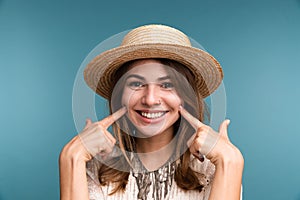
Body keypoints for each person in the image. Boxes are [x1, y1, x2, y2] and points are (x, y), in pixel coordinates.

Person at [59, 24, 244, 200]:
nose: (150, 99)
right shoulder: (93, 170)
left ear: (185, 97)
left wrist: (230, 161)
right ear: (119, 96)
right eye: (136, 84)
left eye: (167, 85)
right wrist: (72, 157)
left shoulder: (214, 170)